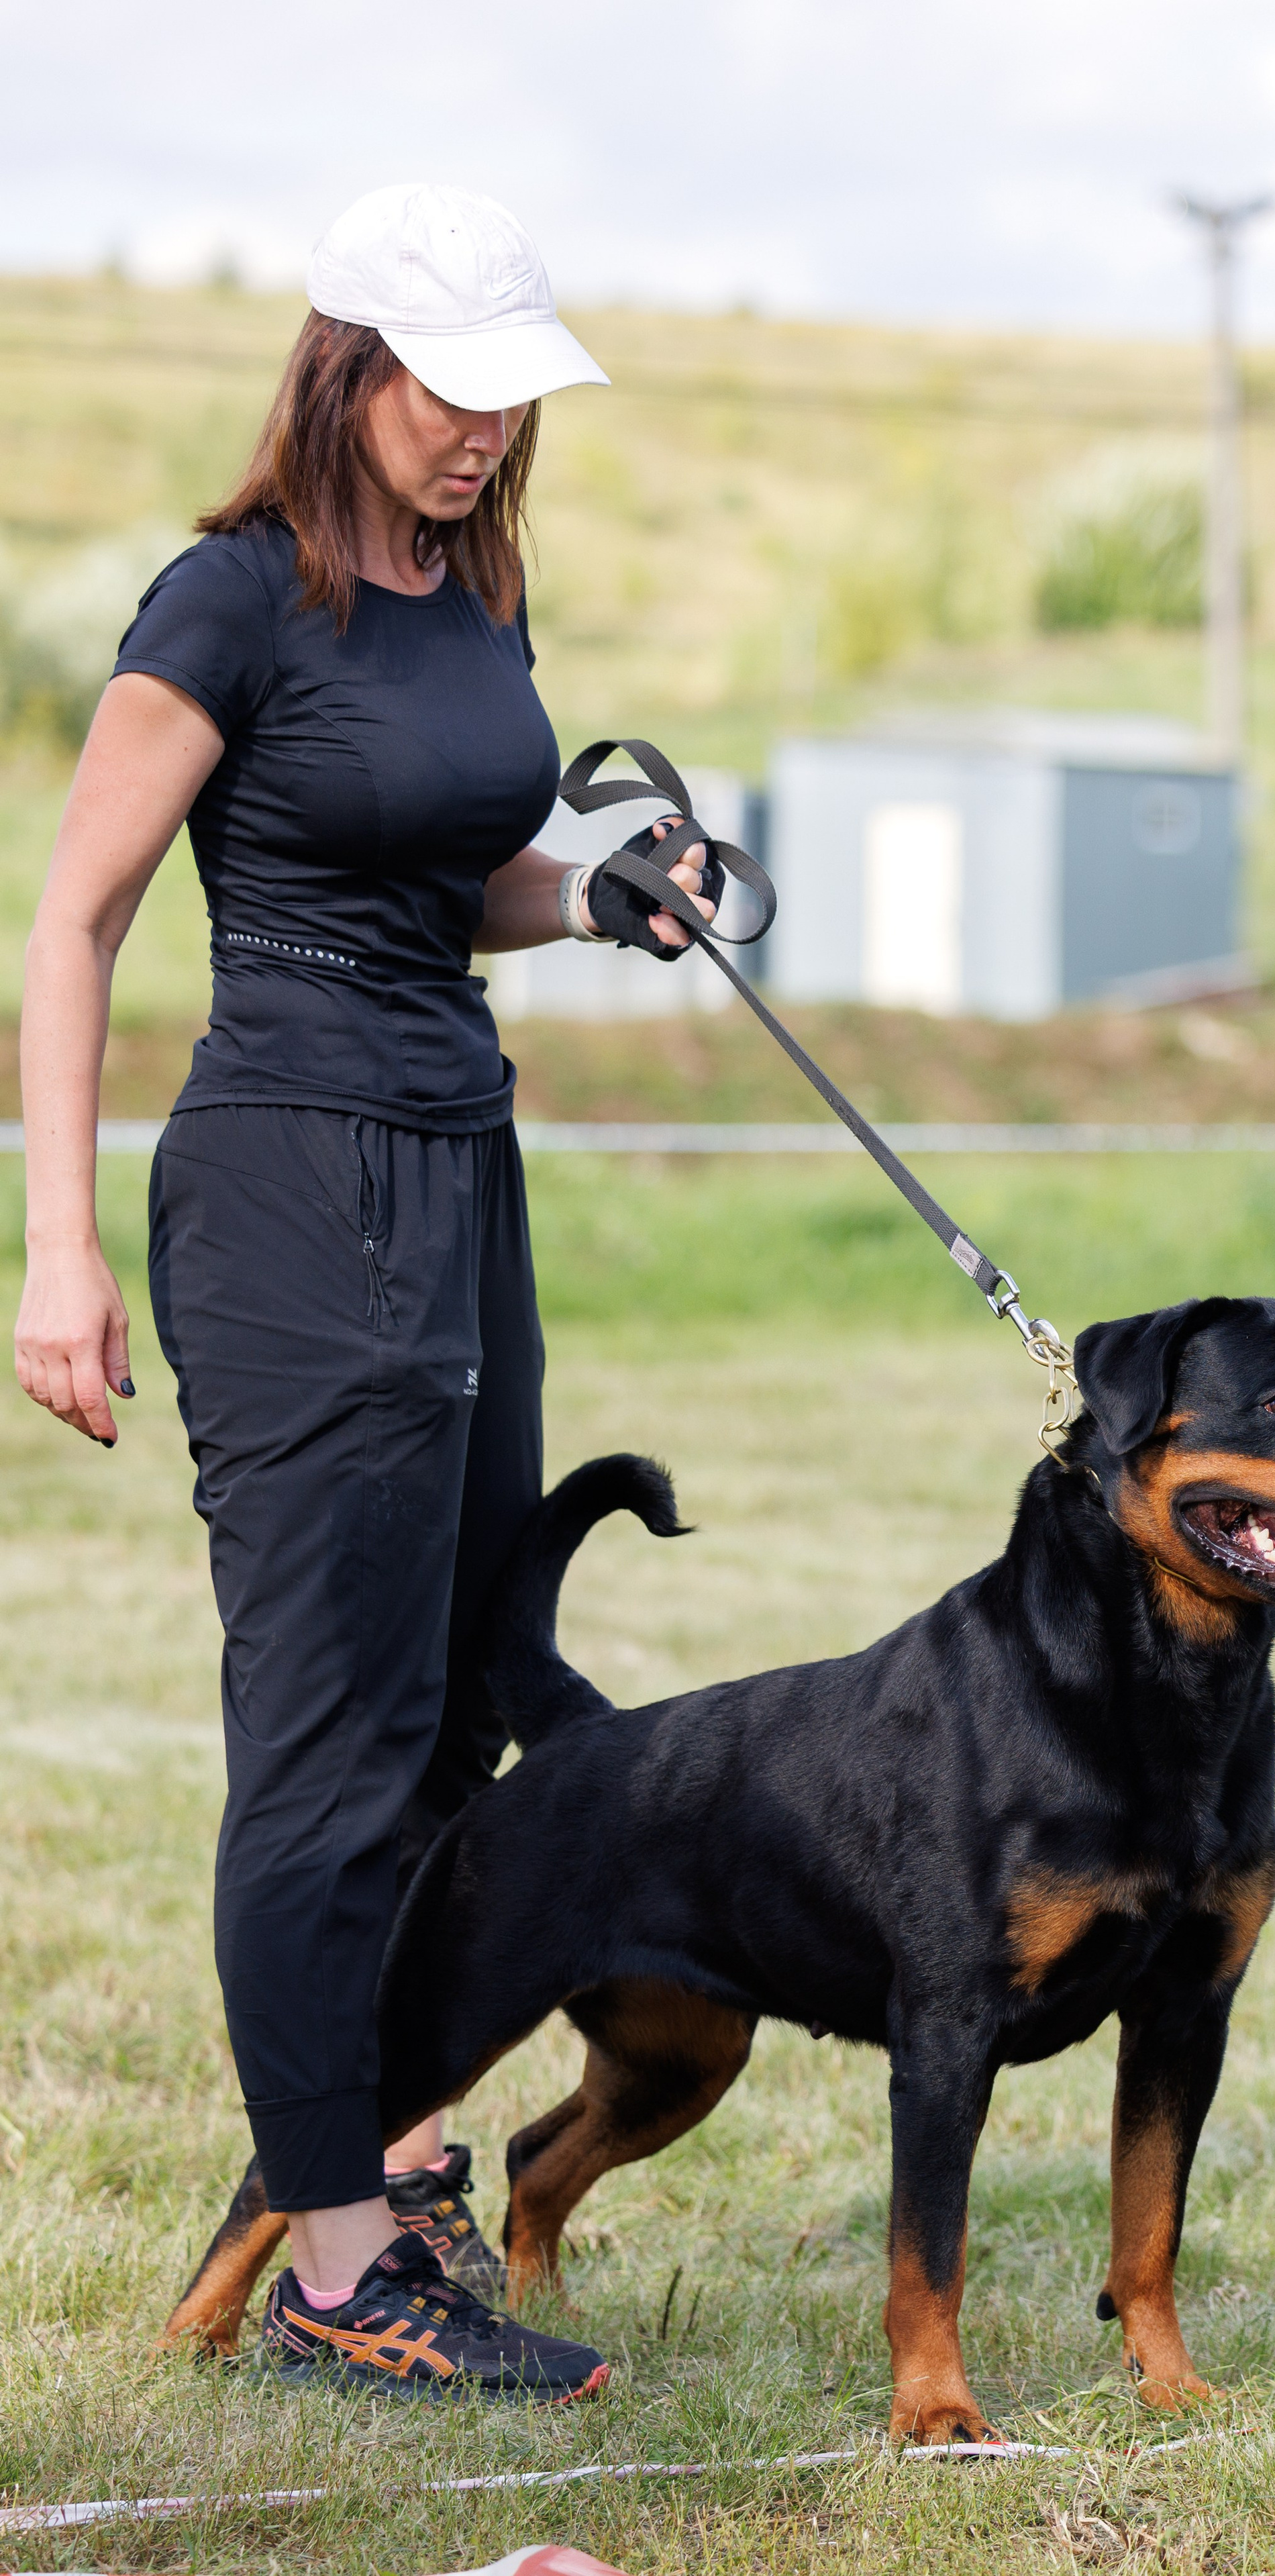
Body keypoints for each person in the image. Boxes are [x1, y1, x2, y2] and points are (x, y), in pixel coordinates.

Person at [12, 184, 716, 2399]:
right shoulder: (230, 600)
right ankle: (333, 2274)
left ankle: (384, 2168)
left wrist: (603, 898)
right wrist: (55, 1252)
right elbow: (78, 918)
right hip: (291, 1193)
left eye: (516, 396)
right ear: (346, 366)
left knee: (455, 1693)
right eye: (453, 390)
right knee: (322, 1745)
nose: (487, 432)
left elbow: (441, 873)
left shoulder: (471, 595)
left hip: (460, 1165)